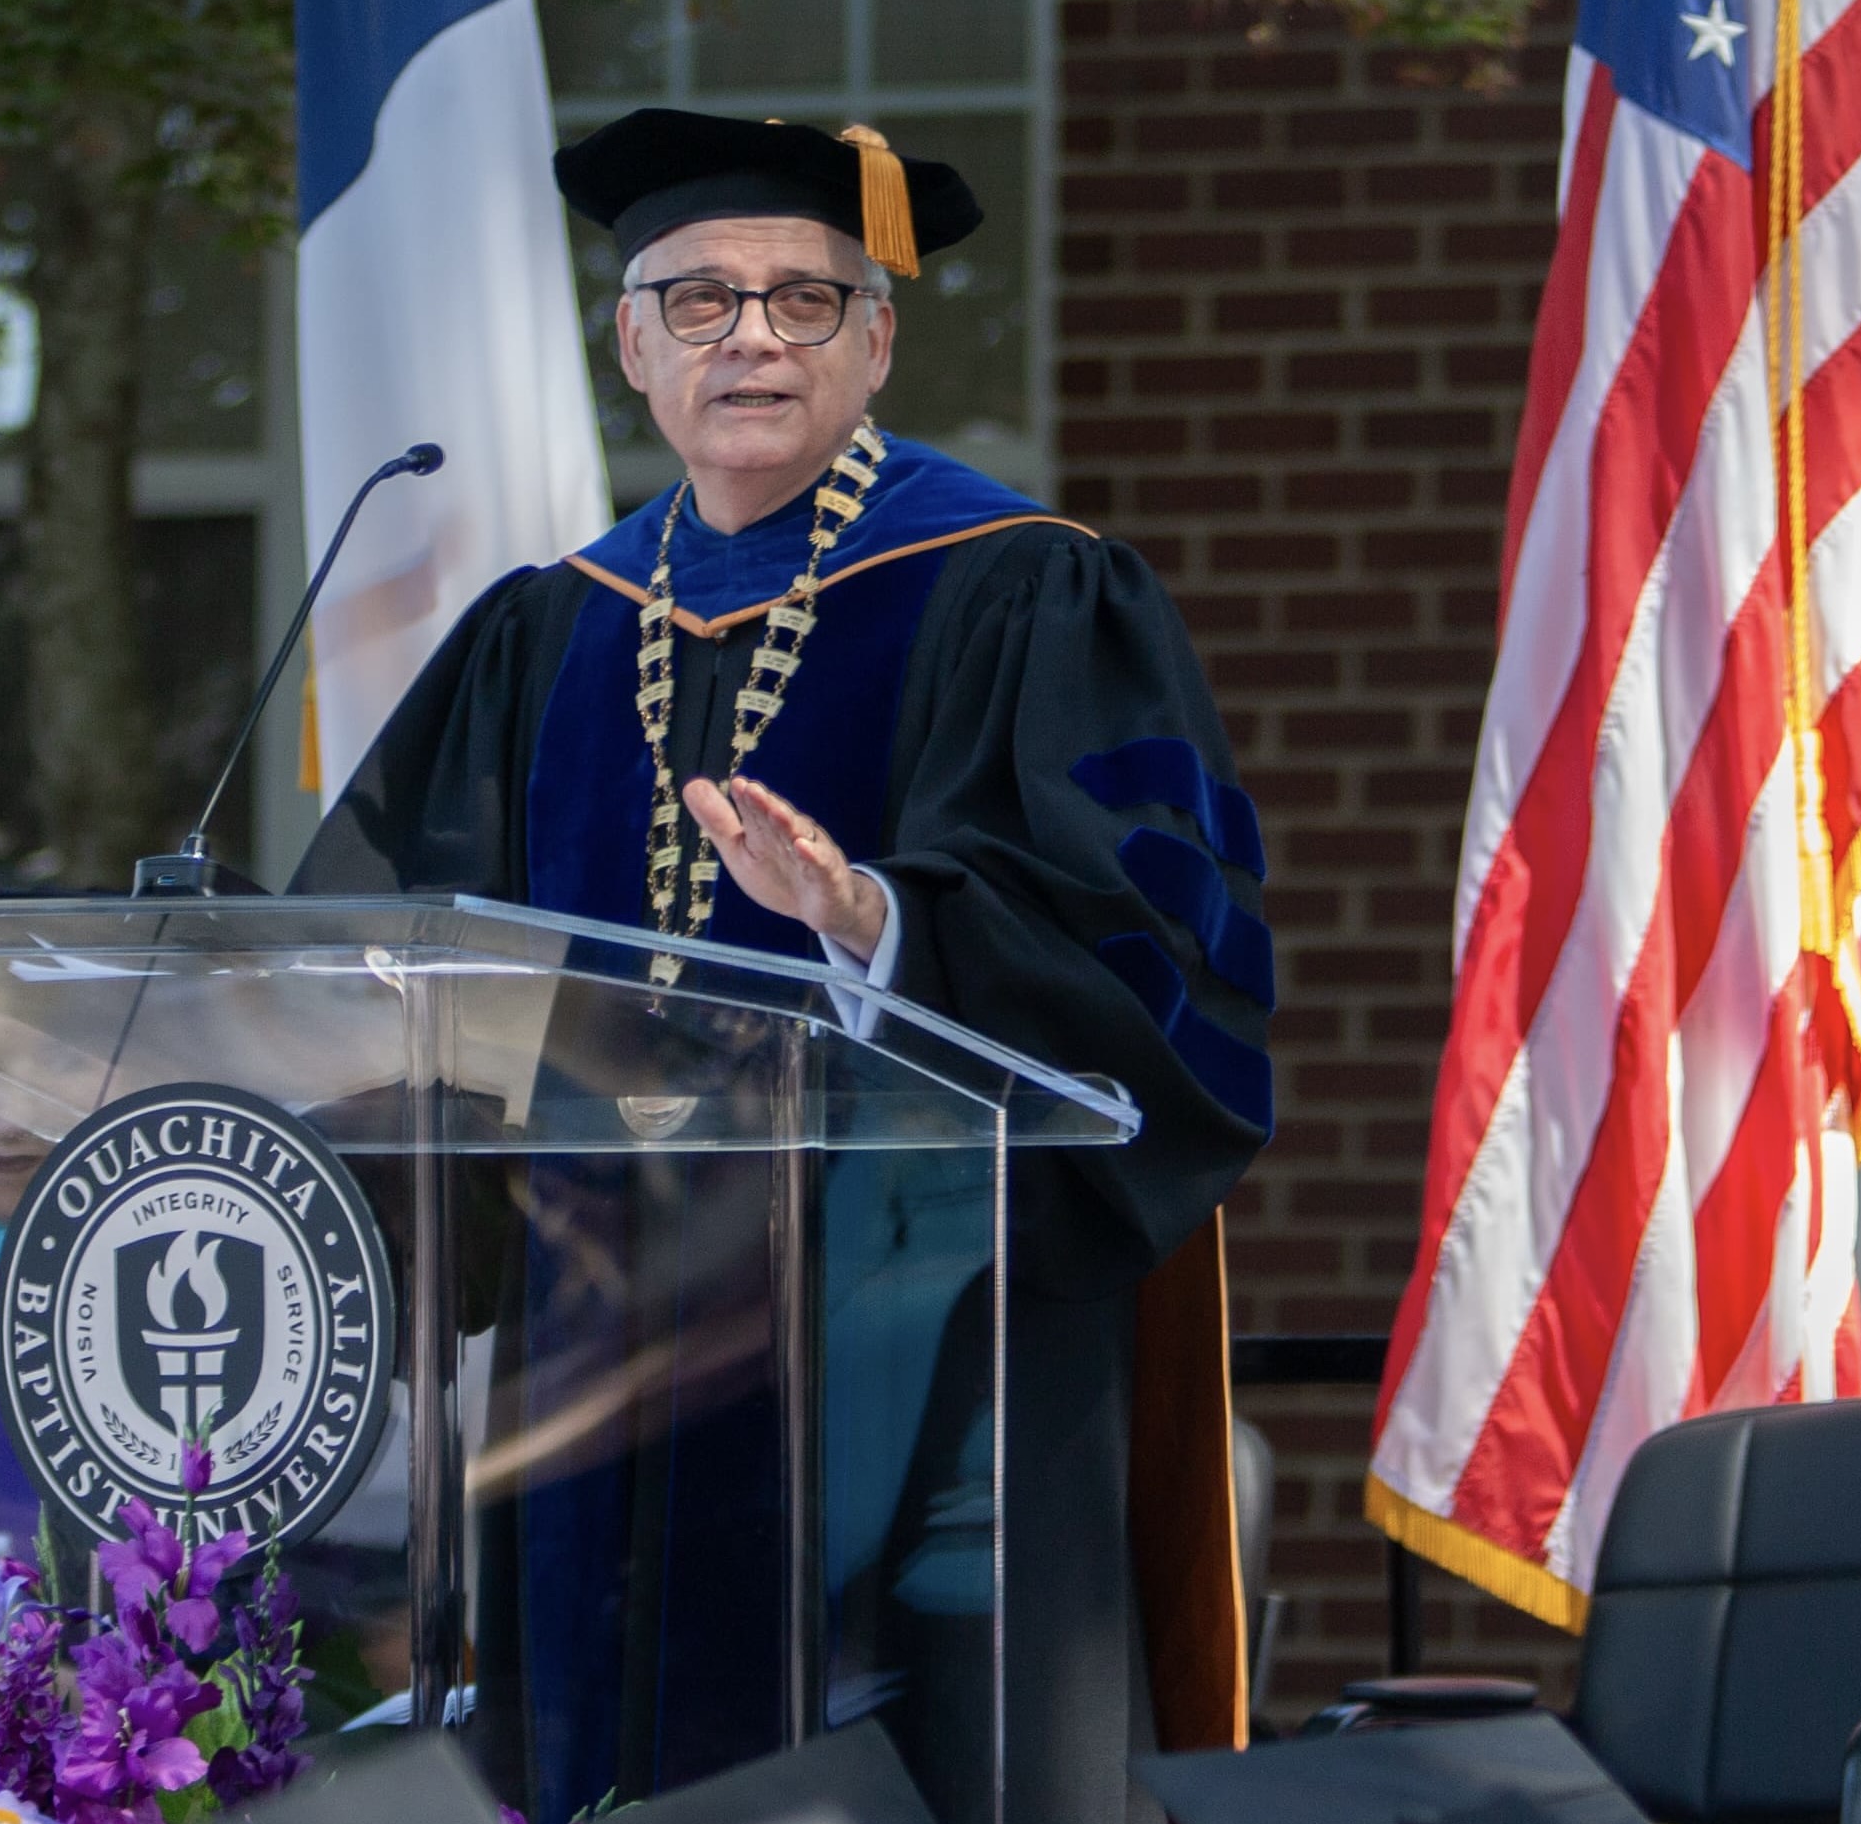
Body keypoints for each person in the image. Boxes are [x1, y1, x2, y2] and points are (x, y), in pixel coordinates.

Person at [297, 109, 1277, 1824]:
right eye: (696, 300)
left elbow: (1158, 968)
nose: (749, 334)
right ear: (630, 343)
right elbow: (387, 955)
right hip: (596, 1365)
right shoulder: (549, 629)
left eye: (806, 300)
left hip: (924, 1374)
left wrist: (876, 926)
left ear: (877, 339)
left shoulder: (1025, 591)